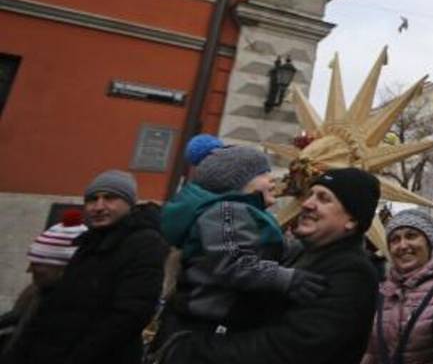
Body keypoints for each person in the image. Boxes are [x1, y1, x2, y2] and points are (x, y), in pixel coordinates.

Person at [158, 167, 383, 364]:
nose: (307, 204)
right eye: (310, 195)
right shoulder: (298, 254)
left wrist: (196, 350)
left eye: (324, 199)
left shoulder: (352, 272)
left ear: (352, 220)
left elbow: (291, 348)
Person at [152, 136, 326, 352]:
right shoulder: (226, 212)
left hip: (221, 326)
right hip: (205, 330)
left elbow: (269, 252)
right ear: (238, 184)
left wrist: (308, 245)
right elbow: (233, 263)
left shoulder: (245, 213)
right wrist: (286, 278)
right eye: (263, 174)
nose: (273, 179)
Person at [4, 170, 168, 364]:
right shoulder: (90, 241)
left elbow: (131, 314)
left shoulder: (145, 244)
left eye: (109, 198)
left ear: (129, 203)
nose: (99, 206)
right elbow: (58, 304)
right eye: (92, 200)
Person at [361, 208, 433, 364]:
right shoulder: (382, 291)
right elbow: (371, 351)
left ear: (428, 242)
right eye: (395, 239)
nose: (403, 245)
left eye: (411, 236)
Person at [0, 209, 87, 359]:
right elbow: (17, 316)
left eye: (38, 264)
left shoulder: (77, 304)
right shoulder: (37, 290)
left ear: (64, 268)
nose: (29, 270)